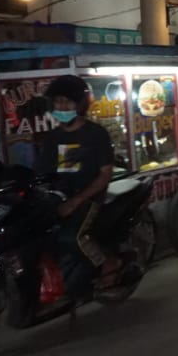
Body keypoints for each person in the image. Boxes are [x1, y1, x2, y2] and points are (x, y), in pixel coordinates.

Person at [36, 75, 123, 300]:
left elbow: (105, 175)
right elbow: (42, 173)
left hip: (89, 199)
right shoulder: (53, 138)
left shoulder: (96, 134)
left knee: (70, 237)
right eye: (58, 102)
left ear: (80, 104)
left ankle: (107, 263)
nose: (62, 107)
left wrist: (76, 201)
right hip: (59, 198)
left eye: (67, 102)